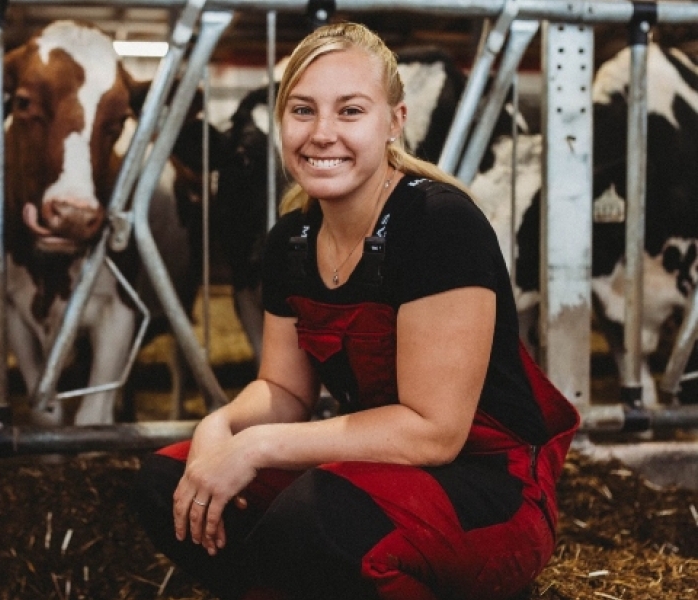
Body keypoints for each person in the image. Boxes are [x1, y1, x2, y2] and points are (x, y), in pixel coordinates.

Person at [132, 21, 580, 600]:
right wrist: (217, 428)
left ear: (395, 121)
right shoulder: (291, 239)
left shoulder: (438, 224)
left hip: (487, 489)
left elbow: (434, 433)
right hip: (378, 470)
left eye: (350, 111)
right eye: (302, 110)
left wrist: (256, 447)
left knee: (312, 514)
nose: (322, 134)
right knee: (169, 481)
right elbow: (284, 390)